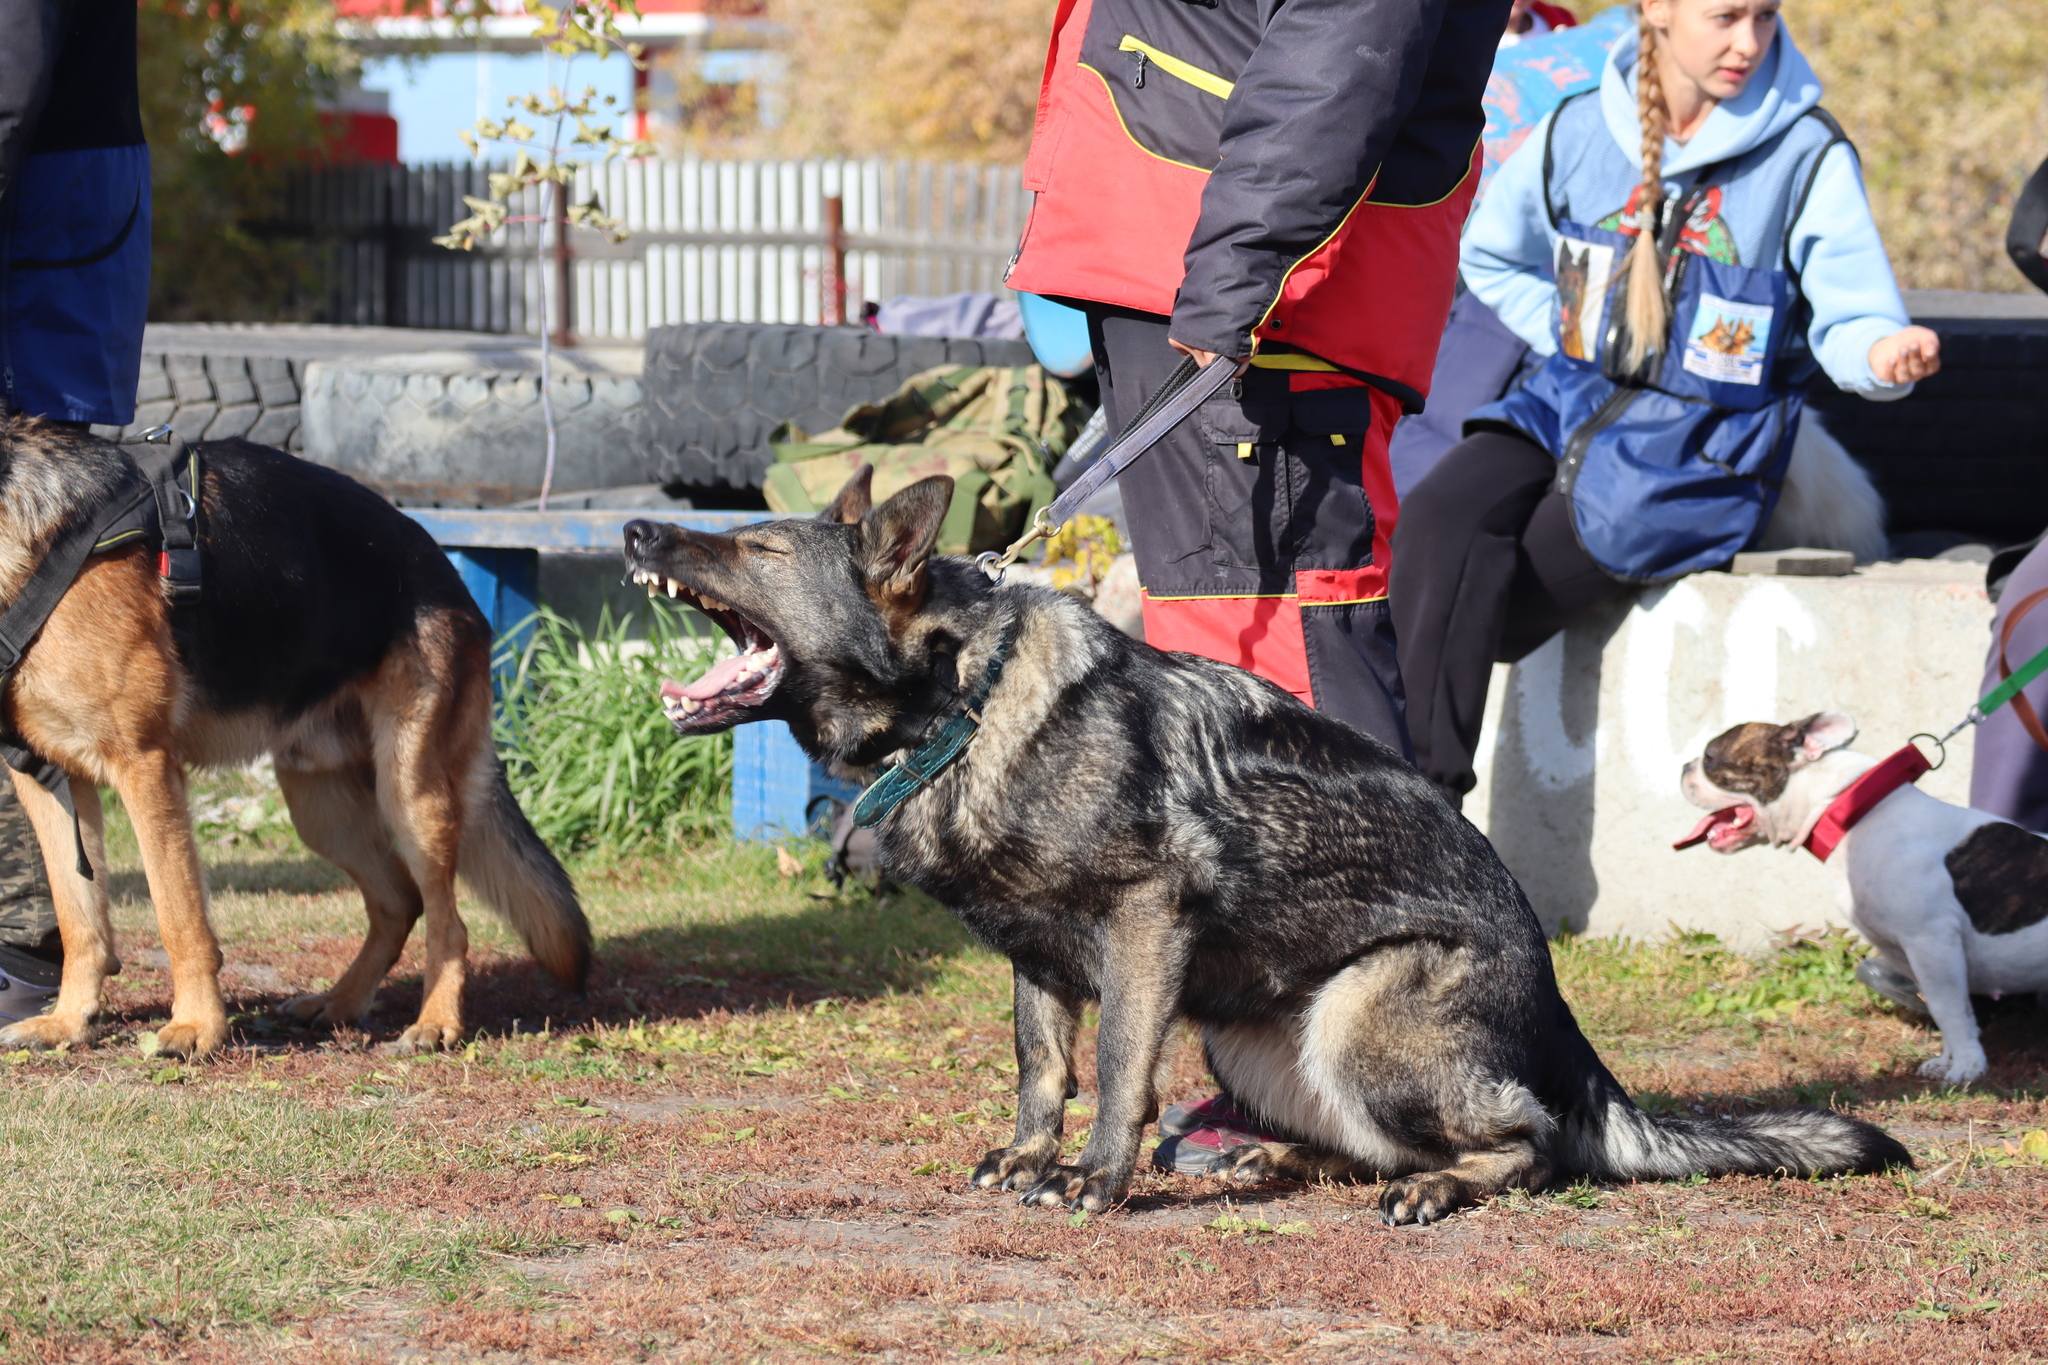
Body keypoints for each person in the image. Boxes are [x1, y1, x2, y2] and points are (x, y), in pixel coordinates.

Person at [1006, 0, 1506, 1173]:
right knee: (1230, 672)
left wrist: (1236, 271)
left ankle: (1371, 1088)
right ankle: (1289, 1084)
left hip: (1249, 282)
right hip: (1202, 260)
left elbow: (1342, 55)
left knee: (1281, 684)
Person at [1389, 0, 1940, 809]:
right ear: (1656, 11)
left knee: (1491, 597)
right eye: (1724, 17)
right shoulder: (1580, 129)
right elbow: (1491, 253)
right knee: (1441, 515)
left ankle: (1419, 824)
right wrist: (1572, 329)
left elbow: (1855, 318)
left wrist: (1883, 356)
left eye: (1765, 16)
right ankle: (1418, 815)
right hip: (1561, 403)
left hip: (1696, 455)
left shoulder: (1805, 155)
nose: (1748, 42)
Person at [0, 0, 152, 1020]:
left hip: (42, 201)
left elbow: (10, 76)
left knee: (33, 616)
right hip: (57, 190)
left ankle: (24, 943)